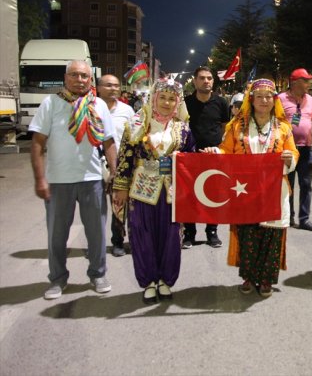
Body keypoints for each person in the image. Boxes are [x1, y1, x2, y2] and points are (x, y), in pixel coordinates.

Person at [30, 60, 117, 300]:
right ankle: (57, 279)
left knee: (97, 233)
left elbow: (109, 141)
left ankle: (98, 274)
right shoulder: (51, 103)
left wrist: (115, 172)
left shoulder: (98, 104)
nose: (80, 80)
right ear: (65, 77)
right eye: (75, 75)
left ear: (90, 80)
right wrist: (40, 179)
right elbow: (37, 144)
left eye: (84, 76)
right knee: (57, 235)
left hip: (92, 180)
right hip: (59, 181)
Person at [204, 79, 298, 298]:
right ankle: (248, 276)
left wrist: (288, 159)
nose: (264, 101)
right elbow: (226, 150)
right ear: (251, 99)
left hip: (274, 190)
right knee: (247, 234)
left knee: (271, 235)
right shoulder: (237, 126)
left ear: (274, 100)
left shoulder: (283, 127)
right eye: (259, 96)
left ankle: (266, 279)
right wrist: (214, 153)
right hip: (244, 190)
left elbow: (294, 154)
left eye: (268, 97)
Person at [112, 79, 195, 304]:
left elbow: (191, 159)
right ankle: (148, 281)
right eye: (163, 98)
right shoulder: (137, 124)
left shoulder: (183, 128)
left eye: (172, 99)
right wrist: (120, 186)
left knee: (170, 236)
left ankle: (165, 280)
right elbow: (125, 157)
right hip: (141, 189)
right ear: (153, 98)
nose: (167, 103)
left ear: (177, 102)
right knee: (142, 234)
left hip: (172, 191)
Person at [183, 66, 230, 248]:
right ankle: (189, 233)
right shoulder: (185, 103)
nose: (206, 81)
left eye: (209, 78)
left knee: (213, 196)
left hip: (214, 157)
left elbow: (225, 127)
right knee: (189, 196)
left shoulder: (221, 102)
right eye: (202, 78)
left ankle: (212, 232)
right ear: (195, 81)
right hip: (190, 157)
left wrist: (219, 148)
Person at [97, 74, 135, 257]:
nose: (113, 89)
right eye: (108, 85)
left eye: (116, 85)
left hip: (121, 165)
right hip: (96, 165)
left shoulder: (127, 110)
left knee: (119, 204)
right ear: (98, 88)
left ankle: (119, 242)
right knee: (98, 209)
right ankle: (96, 245)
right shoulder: (91, 108)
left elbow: (135, 135)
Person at [279, 68, 312, 231]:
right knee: (288, 184)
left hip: (306, 147)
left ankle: (304, 219)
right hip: (288, 149)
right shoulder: (281, 98)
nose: (309, 84)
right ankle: (288, 217)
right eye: (306, 81)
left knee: (306, 184)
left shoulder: (309, 99)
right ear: (295, 82)